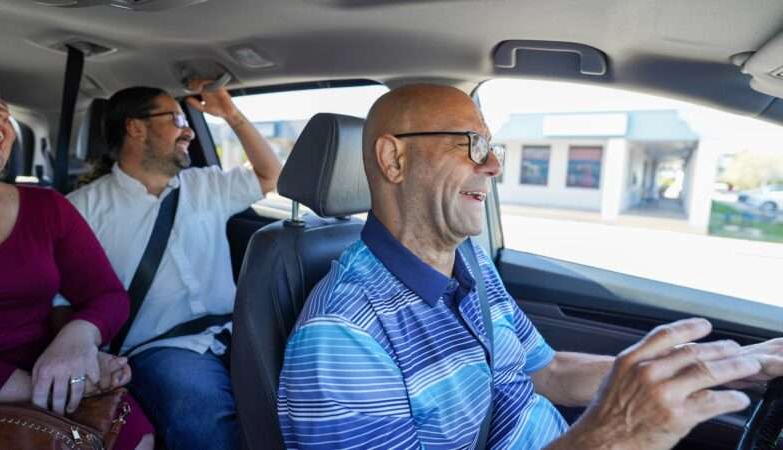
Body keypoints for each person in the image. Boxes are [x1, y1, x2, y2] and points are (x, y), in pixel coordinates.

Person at [277, 84, 783, 449]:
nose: (494, 165)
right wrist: (612, 436)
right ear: (393, 160)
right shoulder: (342, 338)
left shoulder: (468, 263)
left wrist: (729, 365)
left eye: (492, 148)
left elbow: (549, 371)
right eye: (471, 144)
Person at [65, 80, 282, 450]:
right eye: (177, 118)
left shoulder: (205, 184)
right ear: (136, 127)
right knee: (206, 416)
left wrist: (230, 114)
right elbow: (63, 300)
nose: (187, 131)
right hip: (158, 349)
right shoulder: (82, 208)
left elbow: (270, 176)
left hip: (239, 334)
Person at [0, 82, 154, 450]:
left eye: (1, 109)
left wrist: (78, 340)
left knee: (137, 436)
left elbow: (107, 294)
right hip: (35, 387)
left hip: (54, 373)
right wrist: (59, 385)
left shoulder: (47, 208)